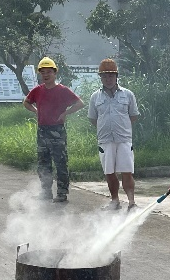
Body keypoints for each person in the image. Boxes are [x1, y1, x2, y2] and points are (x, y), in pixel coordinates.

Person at [24, 57, 84, 203]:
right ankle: (46, 192)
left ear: (55, 73)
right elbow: (26, 102)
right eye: (43, 72)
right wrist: (36, 110)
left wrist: (65, 113)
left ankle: (62, 193)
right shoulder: (37, 90)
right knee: (43, 163)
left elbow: (80, 103)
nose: (46, 75)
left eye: (49, 72)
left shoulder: (62, 90)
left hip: (57, 130)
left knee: (60, 162)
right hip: (42, 130)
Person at [88, 58, 141, 211]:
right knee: (109, 172)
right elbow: (93, 118)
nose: (108, 79)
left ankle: (131, 202)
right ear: (100, 78)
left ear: (116, 76)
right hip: (105, 140)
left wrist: (121, 127)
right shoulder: (95, 97)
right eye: (104, 76)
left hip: (124, 139)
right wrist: (106, 127)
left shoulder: (128, 95)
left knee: (127, 172)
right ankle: (115, 201)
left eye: (111, 75)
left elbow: (133, 115)